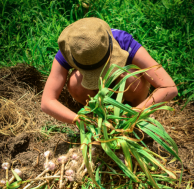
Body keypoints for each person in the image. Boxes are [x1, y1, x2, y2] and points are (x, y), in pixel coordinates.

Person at [41, 17, 178, 124]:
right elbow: (47, 102)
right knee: (74, 82)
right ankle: (99, 113)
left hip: (127, 92)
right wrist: (78, 120)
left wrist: (136, 113)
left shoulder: (122, 41)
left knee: (130, 78)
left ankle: (138, 113)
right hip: (96, 96)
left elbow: (168, 87)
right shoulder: (73, 51)